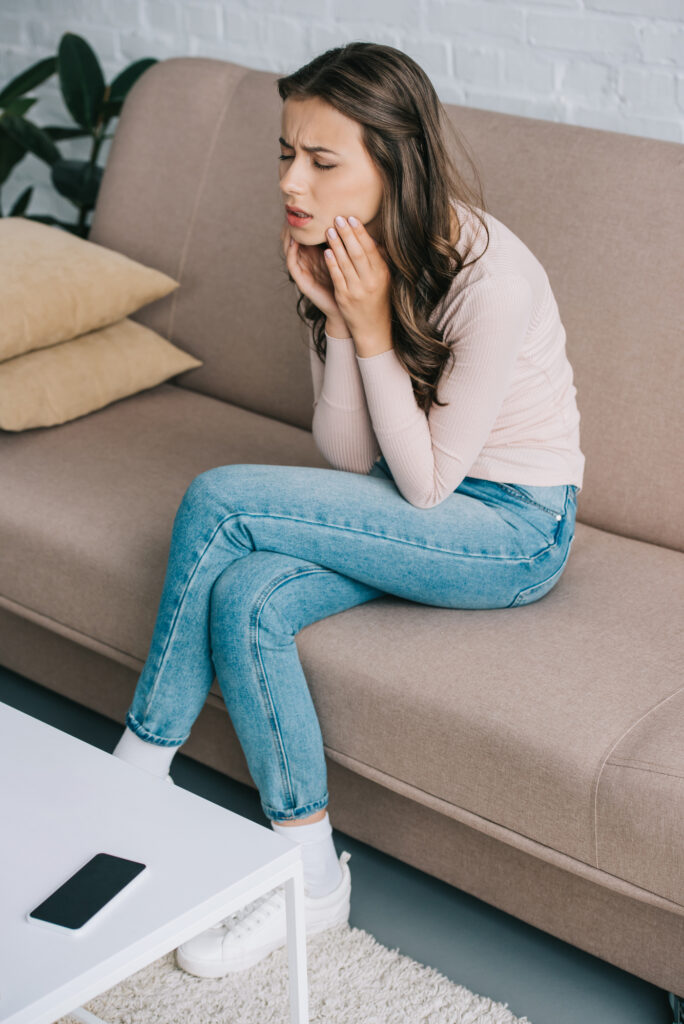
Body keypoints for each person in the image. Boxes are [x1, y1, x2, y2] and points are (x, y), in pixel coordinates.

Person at [112, 41, 585, 978]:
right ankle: (311, 873)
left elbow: (425, 487)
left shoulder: (493, 281)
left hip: (513, 531)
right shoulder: (356, 253)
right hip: (427, 499)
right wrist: (335, 316)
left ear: (393, 164)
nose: (294, 179)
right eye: (287, 152)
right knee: (246, 594)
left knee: (220, 500)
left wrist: (369, 328)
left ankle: (126, 784)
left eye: (324, 162)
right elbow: (351, 457)